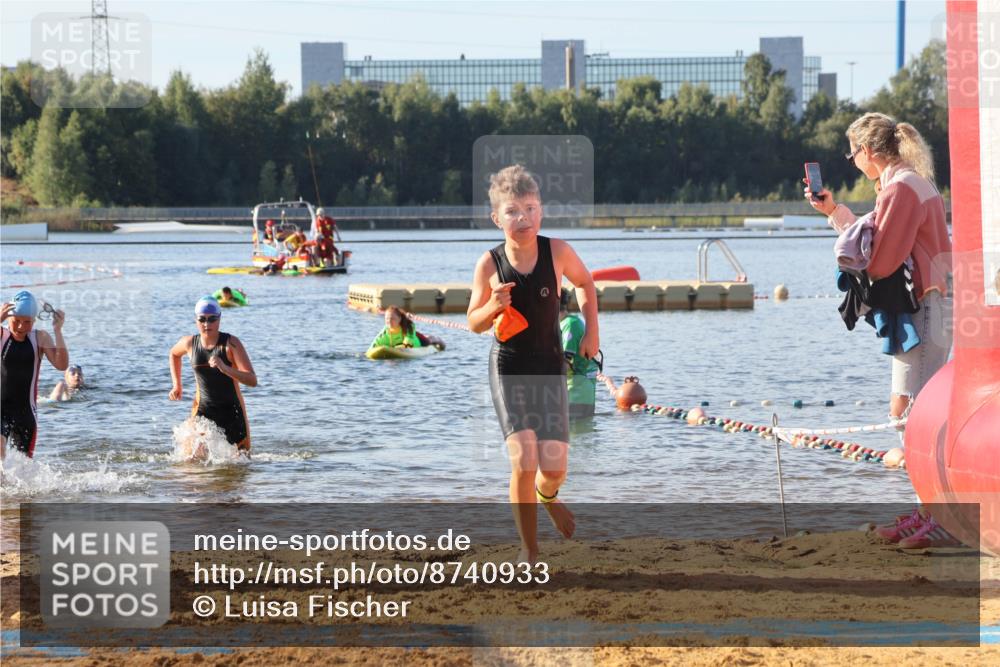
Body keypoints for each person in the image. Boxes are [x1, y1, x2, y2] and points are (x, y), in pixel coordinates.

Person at [806, 112, 952, 549]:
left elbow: (882, 259)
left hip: (924, 307)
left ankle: (940, 519)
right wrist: (834, 212)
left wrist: (847, 250)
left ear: (868, 151)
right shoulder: (907, 183)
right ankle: (928, 513)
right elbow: (883, 241)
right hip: (930, 306)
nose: (853, 161)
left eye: (852, 153)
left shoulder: (901, 188)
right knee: (910, 413)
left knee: (913, 416)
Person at [467, 164, 599, 563]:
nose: (522, 218)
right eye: (512, 211)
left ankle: (548, 495)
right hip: (508, 367)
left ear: (541, 210)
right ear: (497, 218)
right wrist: (492, 305)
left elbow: (585, 283)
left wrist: (592, 333)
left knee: (554, 468)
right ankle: (529, 550)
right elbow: (474, 322)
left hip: (549, 367)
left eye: (530, 208)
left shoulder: (557, 252)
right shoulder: (489, 264)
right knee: (524, 459)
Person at [169, 296, 257, 455]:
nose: (206, 324)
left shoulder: (231, 344)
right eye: (202, 319)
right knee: (190, 460)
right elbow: (174, 354)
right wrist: (177, 385)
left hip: (233, 413)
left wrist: (225, 368)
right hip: (203, 411)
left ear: (219, 319)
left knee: (241, 463)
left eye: (212, 319)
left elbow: (252, 380)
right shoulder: (189, 343)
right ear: (196, 320)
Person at [2, 291, 69, 459]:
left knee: (24, 467)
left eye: (27, 322)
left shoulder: (40, 338)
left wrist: (58, 331)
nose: (20, 327)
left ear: (34, 321)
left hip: (26, 412)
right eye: (16, 321)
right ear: (8, 317)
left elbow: (62, 365)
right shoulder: (2, 335)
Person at [560, 289, 600, 420]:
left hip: (577, 393)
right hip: (573, 392)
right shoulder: (562, 324)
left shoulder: (570, 325)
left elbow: (565, 365)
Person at [370, 306, 444, 350]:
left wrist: (396, 348)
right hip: (398, 346)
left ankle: (434, 338)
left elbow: (408, 343)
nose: (389, 321)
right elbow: (376, 342)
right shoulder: (385, 330)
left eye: (392, 319)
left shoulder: (408, 327)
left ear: (399, 319)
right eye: (387, 319)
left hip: (417, 341)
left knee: (428, 342)